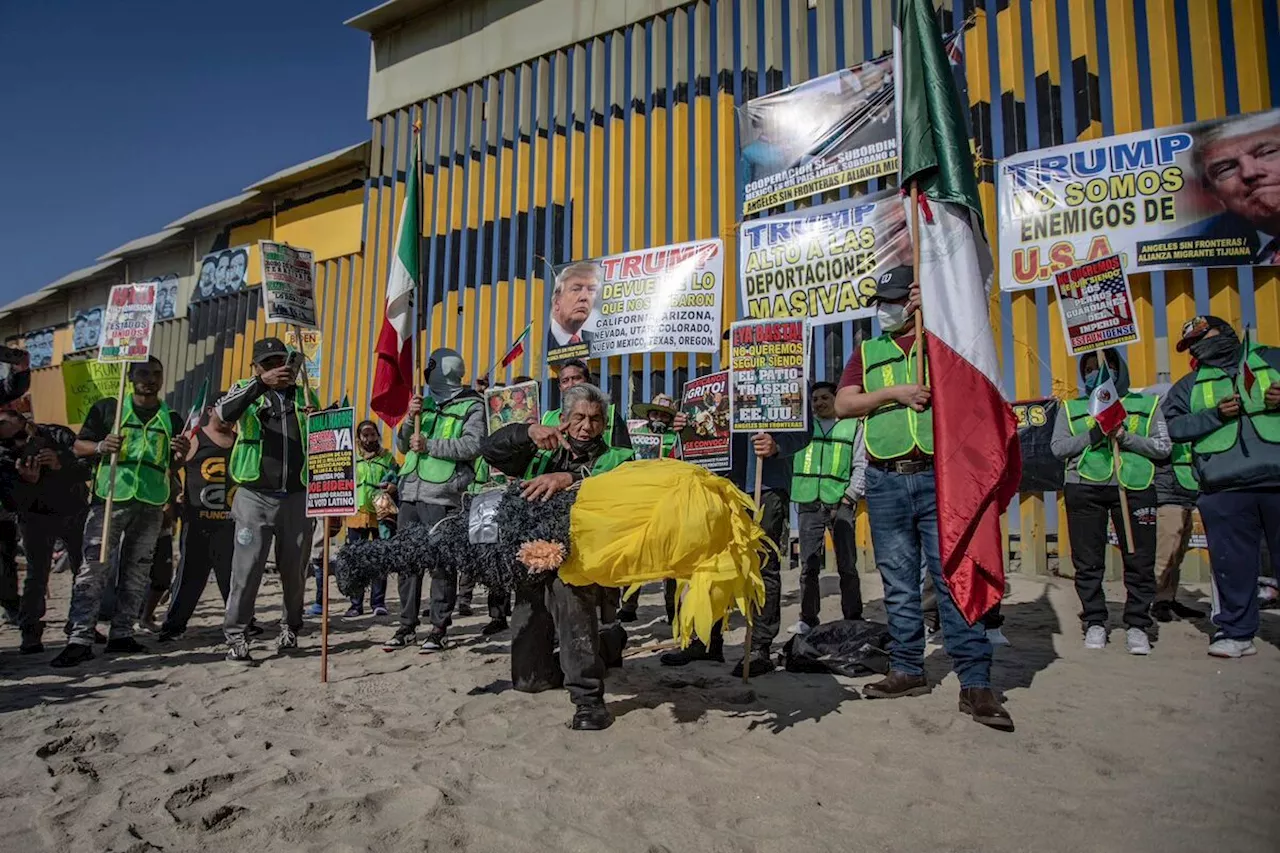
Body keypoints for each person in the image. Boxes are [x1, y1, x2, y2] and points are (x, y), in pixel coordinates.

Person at [834, 266, 1012, 729]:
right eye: (882, 301)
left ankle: (975, 681)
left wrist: (933, 311)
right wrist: (894, 393)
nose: (885, 309)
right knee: (897, 582)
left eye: (894, 299)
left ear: (914, 301)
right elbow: (844, 404)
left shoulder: (943, 347)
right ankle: (908, 668)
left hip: (940, 478)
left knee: (953, 579)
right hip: (886, 479)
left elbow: (976, 383)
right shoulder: (867, 352)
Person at [480, 382, 635, 731]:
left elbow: (624, 484)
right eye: (579, 417)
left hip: (580, 560)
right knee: (528, 680)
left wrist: (572, 477)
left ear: (605, 423)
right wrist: (527, 432)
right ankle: (604, 647)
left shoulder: (618, 457)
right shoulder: (540, 451)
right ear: (564, 418)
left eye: (596, 419)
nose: (587, 426)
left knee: (572, 611)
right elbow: (489, 450)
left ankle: (589, 701)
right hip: (533, 559)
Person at [52, 356, 188, 667]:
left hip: (151, 501)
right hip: (111, 497)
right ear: (130, 375)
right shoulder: (108, 409)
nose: (150, 379)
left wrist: (180, 457)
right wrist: (100, 446)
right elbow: (78, 446)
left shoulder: (172, 418)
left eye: (156, 373)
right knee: (94, 567)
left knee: (137, 570)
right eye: (143, 373)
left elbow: (171, 465)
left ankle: (122, 633)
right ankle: (80, 637)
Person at [1162, 316, 1280, 658]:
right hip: (1224, 489)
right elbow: (1170, 427)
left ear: (1226, 332)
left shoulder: (1272, 359)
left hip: (1276, 478)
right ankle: (1236, 632)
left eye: (1204, 337)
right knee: (1233, 565)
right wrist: (1214, 415)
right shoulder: (1189, 385)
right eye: (1191, 344)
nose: (1199, 347)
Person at [659, 411, 808, 679]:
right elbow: (708, 428)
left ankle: (759, 648)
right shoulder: (723, 381)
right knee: (709, 561)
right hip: (720, 481)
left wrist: (778, 446)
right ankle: (705, 640)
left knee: (761, 564)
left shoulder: (789, 372)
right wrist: (686, 428)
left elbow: (803, 429)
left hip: (766, 483)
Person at [1052, 347, 1168, 655]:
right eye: (1088, 368)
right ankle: (1095, 621)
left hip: (1135, 486)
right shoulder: (1071, 408)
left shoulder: (1147, 404)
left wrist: (1126, 437)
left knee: (1139, 559)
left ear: (1119, 369)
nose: (1096, 373)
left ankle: (1137, 625)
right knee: (1088, 561)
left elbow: (1162, 447)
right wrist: (1094, 435)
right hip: (1084, 488)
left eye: (1102, 367)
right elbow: (1058, 448)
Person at [216, 337, 320, 664]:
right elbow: (224, 414)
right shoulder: (245, 390)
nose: (277, 369)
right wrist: (259, 385)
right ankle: (236, 636)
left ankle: (290, 627)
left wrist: (317, 416)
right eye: (268, 364)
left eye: (281, 362)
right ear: (256, 367)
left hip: (297, 497)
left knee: (295, 571)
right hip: (254, 497)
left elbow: (325, 444)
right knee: (247, 570)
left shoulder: (304, 394)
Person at [382, 347, 485, 653]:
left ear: (443, 371)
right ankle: (407, 625)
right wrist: (409, 420)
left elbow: (472, 446)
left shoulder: (472, 405)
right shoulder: (422, 404)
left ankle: (439, 628)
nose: (426, 374)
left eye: (430, 369)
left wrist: (431, 445)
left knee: (441, 564)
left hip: (442, 496)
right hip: (410, 493)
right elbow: (403, 445)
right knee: (407, 563)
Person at [0, 410, 91, 653]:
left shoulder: (56, 434)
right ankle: (30, 632)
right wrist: (26, 481)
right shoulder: (4, 454)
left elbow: (87, 467)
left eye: (3, 423)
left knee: (83, 572)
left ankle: (80, 625)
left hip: (73, 510)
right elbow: (10, 502)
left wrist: (60, 462)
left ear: (21, 420)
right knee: (37, 575)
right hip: (35, 518)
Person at [788, 381, 866, 636]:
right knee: (808, 566)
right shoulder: (801, 429)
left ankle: (853, 618)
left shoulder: (851, 426)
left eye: (824, 398)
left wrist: (850, 496)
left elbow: (861, 463)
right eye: (815, 399)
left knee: (847, 565)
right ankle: (808, 619)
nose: (819, 403)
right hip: (808, 502)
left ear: (836, 399)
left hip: (839, 503)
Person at [158, 400, 239, 641]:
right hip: (198, 523)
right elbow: (171, 470)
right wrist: (172, 502)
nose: (230, 417)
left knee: (233, 577)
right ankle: (174, 625)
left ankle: (240, 621)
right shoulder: (195, 437)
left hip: (231, 522)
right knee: (190, 576)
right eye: (225, 410)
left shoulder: (239, 441)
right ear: (211, 410)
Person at [617, 392, 686, 622]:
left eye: (664, 415)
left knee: (671, 558)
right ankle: (628, 605)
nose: (658, 418)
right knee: (634, 554)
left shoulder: (678, 438)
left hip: (669, 503)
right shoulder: (634, 437)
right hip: (639, 502)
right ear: (648, 415)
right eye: (655, 413)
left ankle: (672, 607)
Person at [1184, 111, 1280, 263]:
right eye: (1225, 169)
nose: (1249, 172)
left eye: (1267, 152)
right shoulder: (1190, 252)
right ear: (1213, 192)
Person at [1151, 425, 1207, 624]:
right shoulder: (1161, 421)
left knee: (1178, 553)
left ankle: (1166, 599)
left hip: (1188, 492)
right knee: (1165, 553)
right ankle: (1151, 600)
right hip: (1168, 495)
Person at [343, 420, 397, 618]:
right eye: (365, 435)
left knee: (379, 560)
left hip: (381, 515)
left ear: (378, 436)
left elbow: (397, 478)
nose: (369, 439)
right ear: (358, 438)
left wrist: (393, 486)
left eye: (372, 434)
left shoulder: (387, 457)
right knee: (357, 560)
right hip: (356, 515)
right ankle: (355, 604)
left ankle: (378, 602)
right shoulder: (350, 458)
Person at [542, 359, 631, 449]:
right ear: (560, 387)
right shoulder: (547, 419)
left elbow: (625, 455)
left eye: (576, 378)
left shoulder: (611, 414)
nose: (571, 384)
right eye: (565, 381)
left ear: (588, 381)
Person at [546, 262, 600, 353]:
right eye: (576, 289)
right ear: (556, 301)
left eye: (591, 290)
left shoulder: (596, 342)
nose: (584, 297)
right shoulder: (539, 342)